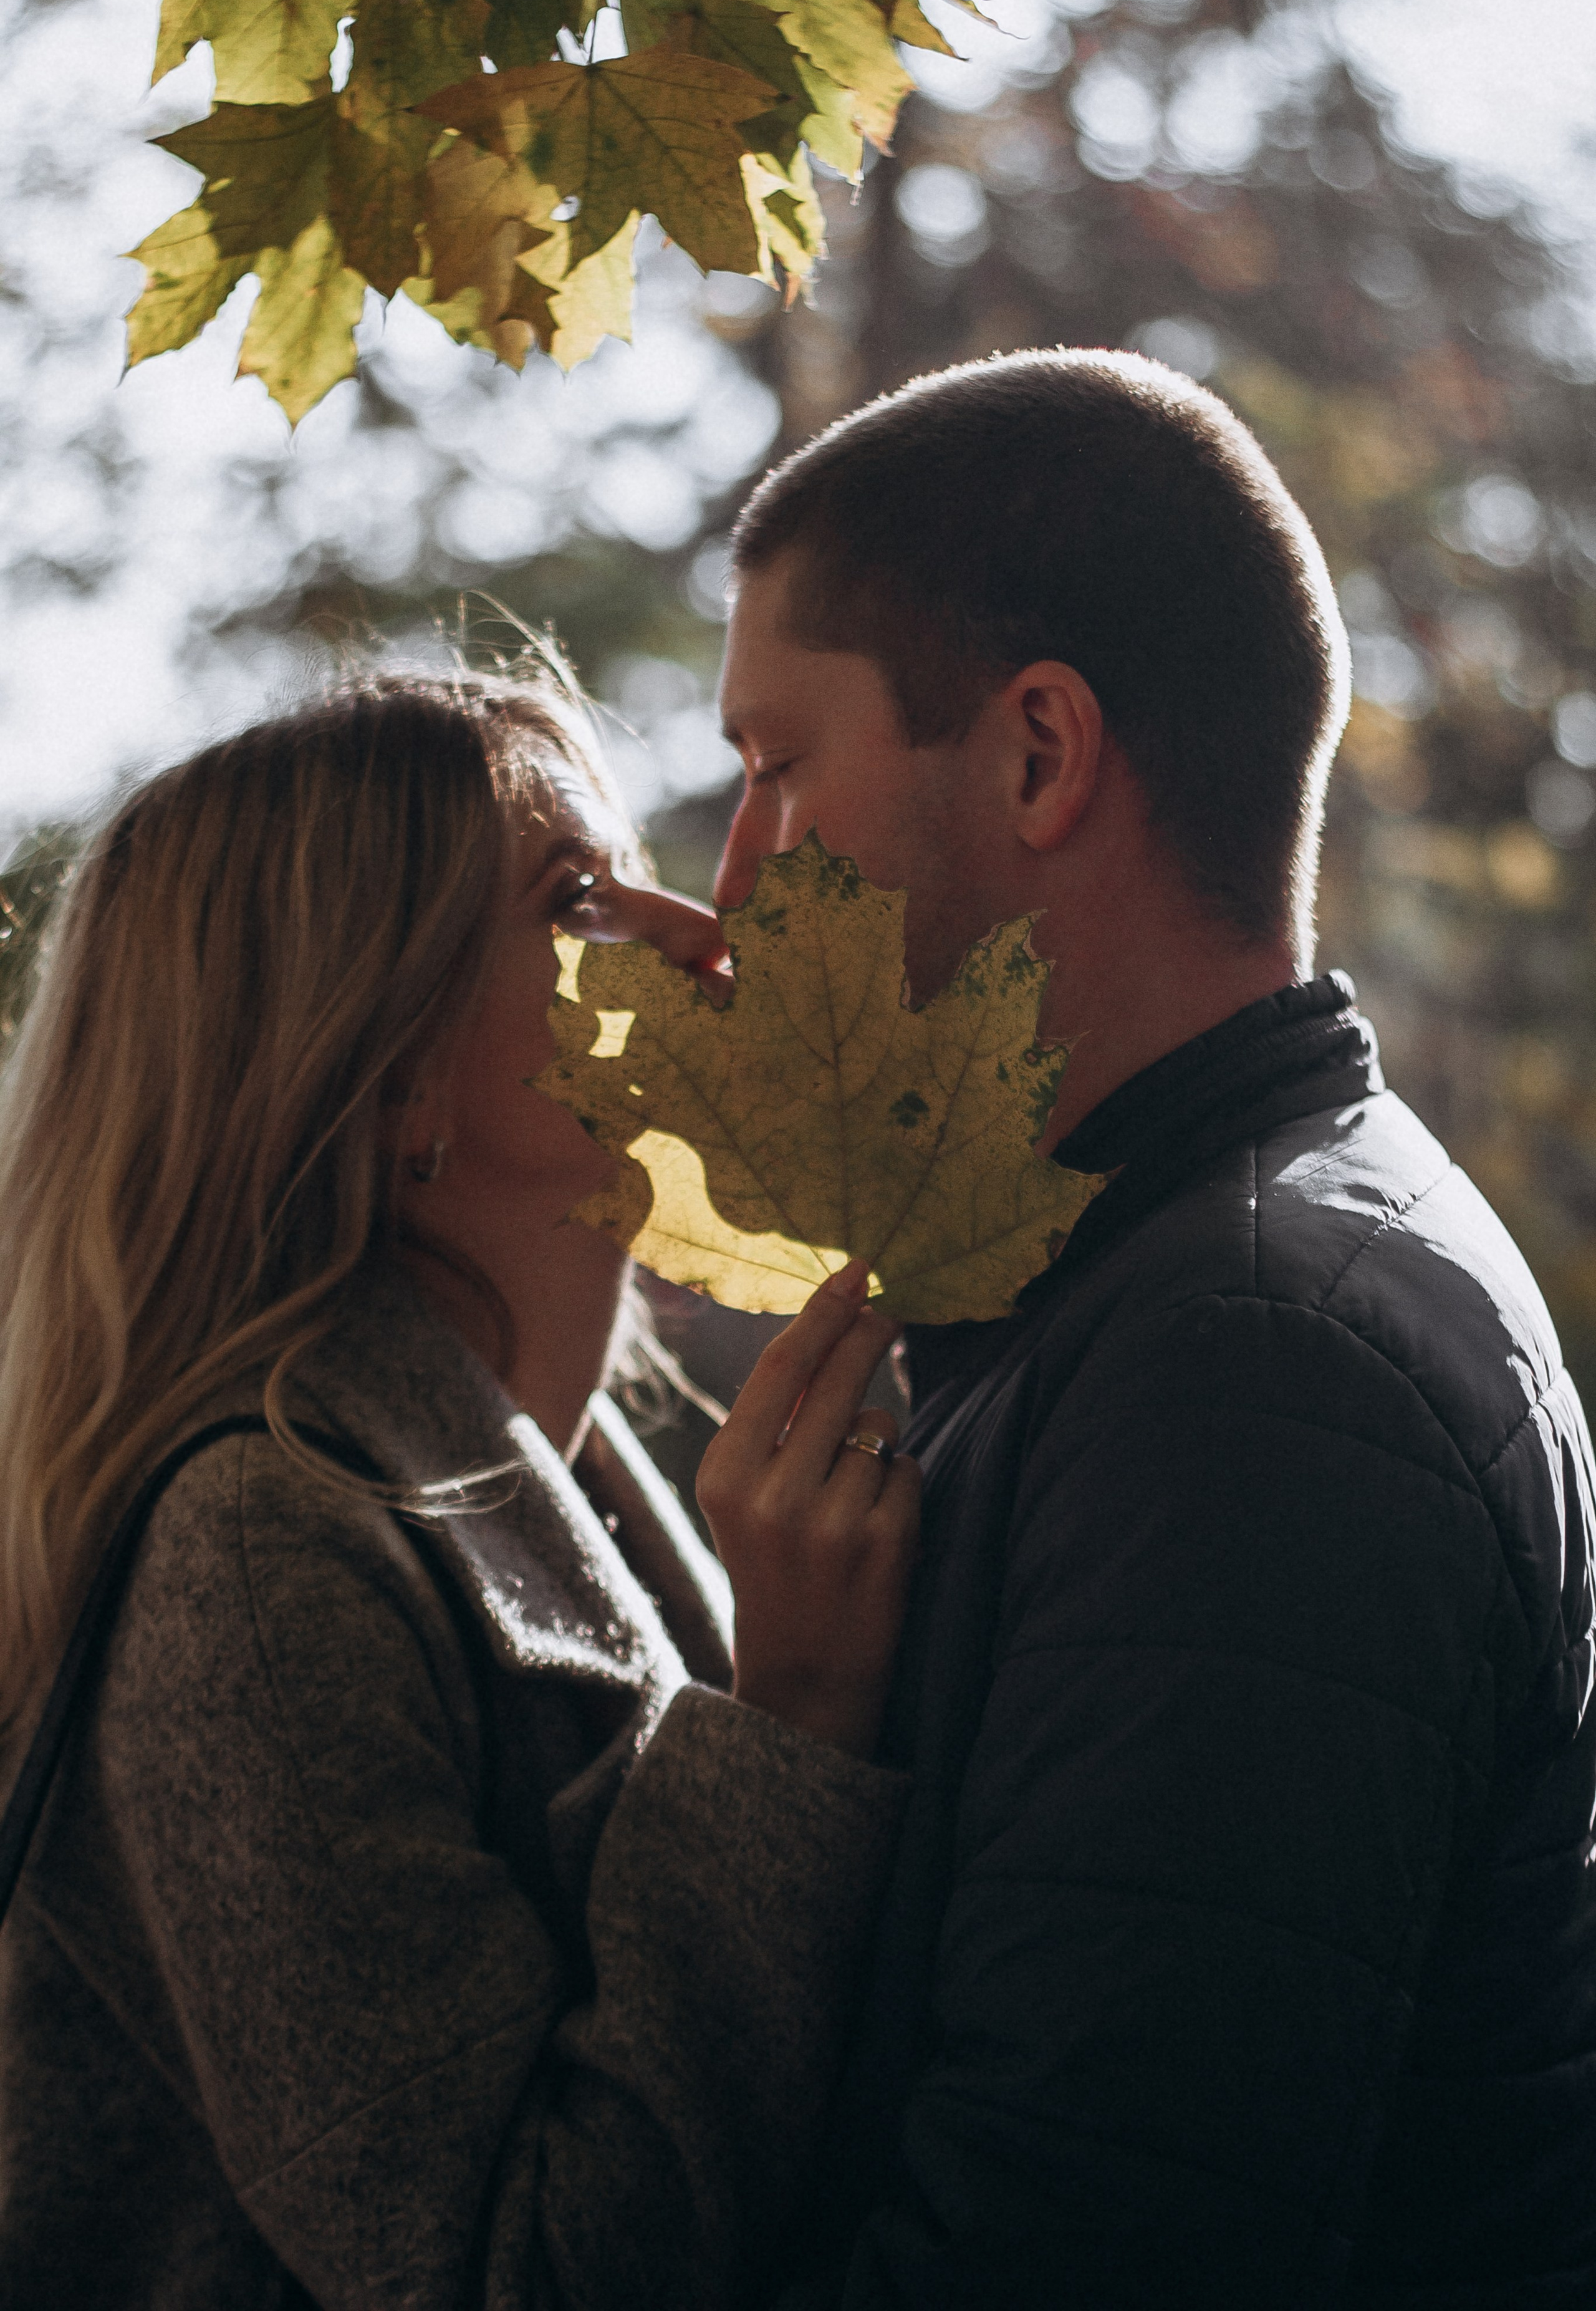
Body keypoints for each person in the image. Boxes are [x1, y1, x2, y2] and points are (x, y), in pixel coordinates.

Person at [714, 349, 1596, 2307]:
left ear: (1039, 753)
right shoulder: (1147, 1293)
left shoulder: (1264, 1368)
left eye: (777, 769)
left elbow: (1073, 2248)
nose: (736, 879)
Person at [0, 670, 921, 2310]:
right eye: (575, 899)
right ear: (395, 1075)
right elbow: (517, 2278)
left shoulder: (569, 1467)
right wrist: (787, 1729)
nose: (700, 931)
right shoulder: (260, 1557)